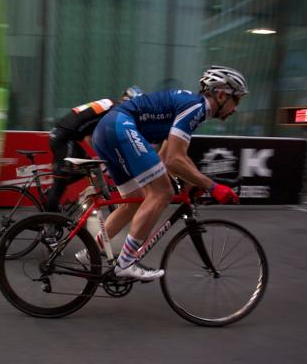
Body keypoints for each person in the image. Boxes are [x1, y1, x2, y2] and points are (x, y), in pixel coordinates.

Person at [83, 65, 246, 281]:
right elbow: (174, 159)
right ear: (223, 94)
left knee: (136, 201)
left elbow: (166, 158)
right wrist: (213, 187)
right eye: (237, 100)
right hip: (119, 126)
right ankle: (126, 263)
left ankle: (89, 253)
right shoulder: (195, 108)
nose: (236, 108)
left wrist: (191, 183)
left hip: (108, 130)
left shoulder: (188, 106)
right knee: (162, 194)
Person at [45, 86, 143, 212]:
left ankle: (53, 194)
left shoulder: (109, 105)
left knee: (91, 167)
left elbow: (89, 137)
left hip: (66, 137)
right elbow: (108, 137)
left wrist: (103, 157)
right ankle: (48, 226)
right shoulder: (115, 110)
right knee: (60, 185)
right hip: (65, 139)